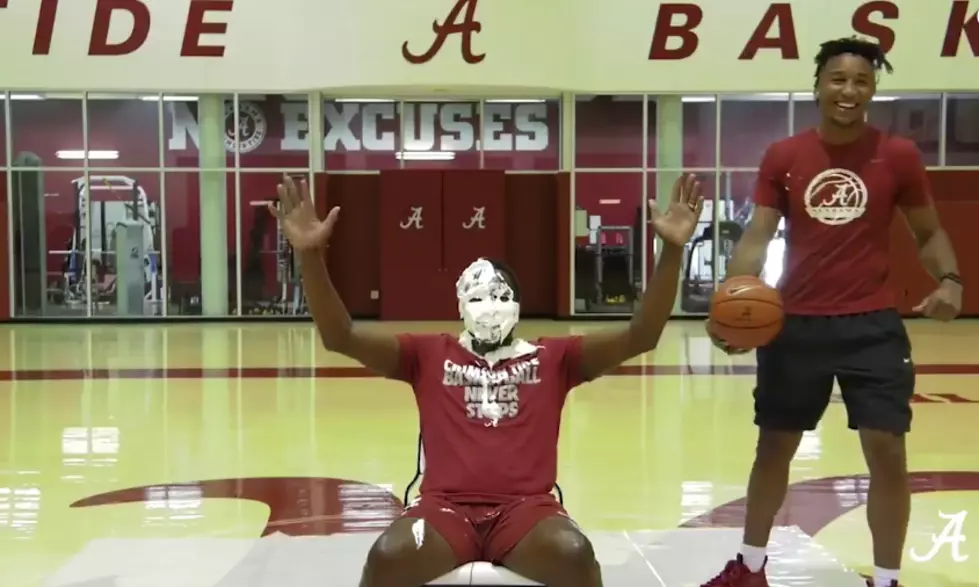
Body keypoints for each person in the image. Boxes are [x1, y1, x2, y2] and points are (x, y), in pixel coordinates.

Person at [269, 173, 704, 587]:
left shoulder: (554, 356)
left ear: (516, 306)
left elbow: (641, 335)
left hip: (527, 512)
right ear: (462, 305)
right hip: (443, 511)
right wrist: (308, 255)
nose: (489, 306)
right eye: (477, 296)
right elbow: (339, 335)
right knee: (388, 555)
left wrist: (671, 251)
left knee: (574, 554)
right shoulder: (428, 353)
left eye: (500, 296)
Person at [701, 37, 961, 587]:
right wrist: (734, 294)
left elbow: (929, 230)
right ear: (818, 85)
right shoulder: (784, 155)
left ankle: (887, 578)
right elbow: (758, 232)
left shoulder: (897, 155)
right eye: (838, 79)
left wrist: (951, 280)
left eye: (861, 81)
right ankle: (749, 568)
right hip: (794, 323)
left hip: (871, 325)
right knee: (774, 447)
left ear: (873, 90)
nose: (849, 90)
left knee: (887, 453)